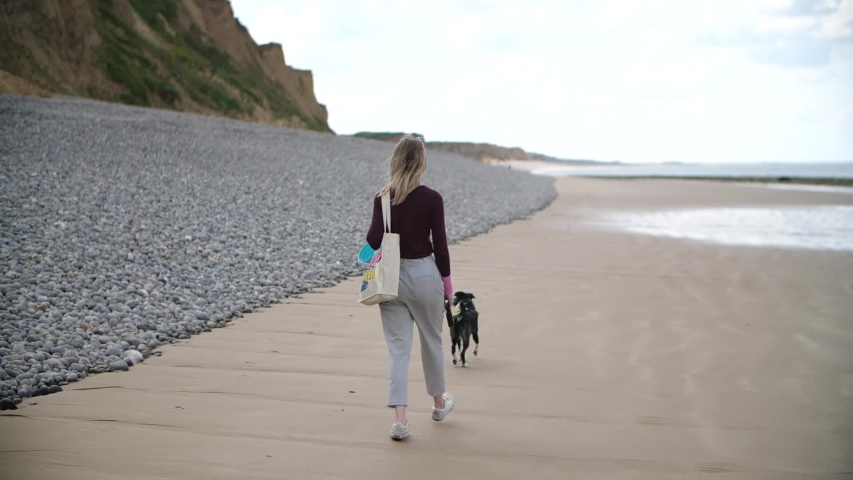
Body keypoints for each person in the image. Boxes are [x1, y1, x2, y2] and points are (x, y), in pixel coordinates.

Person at [366, 134, 455, 441]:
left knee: (398, 351)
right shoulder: (432, 199)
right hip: (423, 276)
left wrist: (366, 264)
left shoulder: (383, 197)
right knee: (432, 341)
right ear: (421, 162)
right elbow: (440, 246)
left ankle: (400, 420)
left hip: (391, 280)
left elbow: (372, 242)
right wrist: (448, 286)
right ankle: (439, 404)